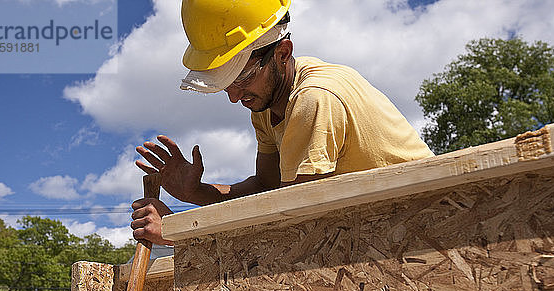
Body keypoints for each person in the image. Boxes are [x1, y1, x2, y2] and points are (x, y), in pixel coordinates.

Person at [131, 0, 434, 245]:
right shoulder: (265, 106)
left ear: (282, 53)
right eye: (225, 84)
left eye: (243, 78)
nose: (234, 97)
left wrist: (176, 230)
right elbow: (267, 188)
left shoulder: (314, 99)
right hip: (382, 235)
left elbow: (290, 228)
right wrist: (196, 192)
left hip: (428, 229)